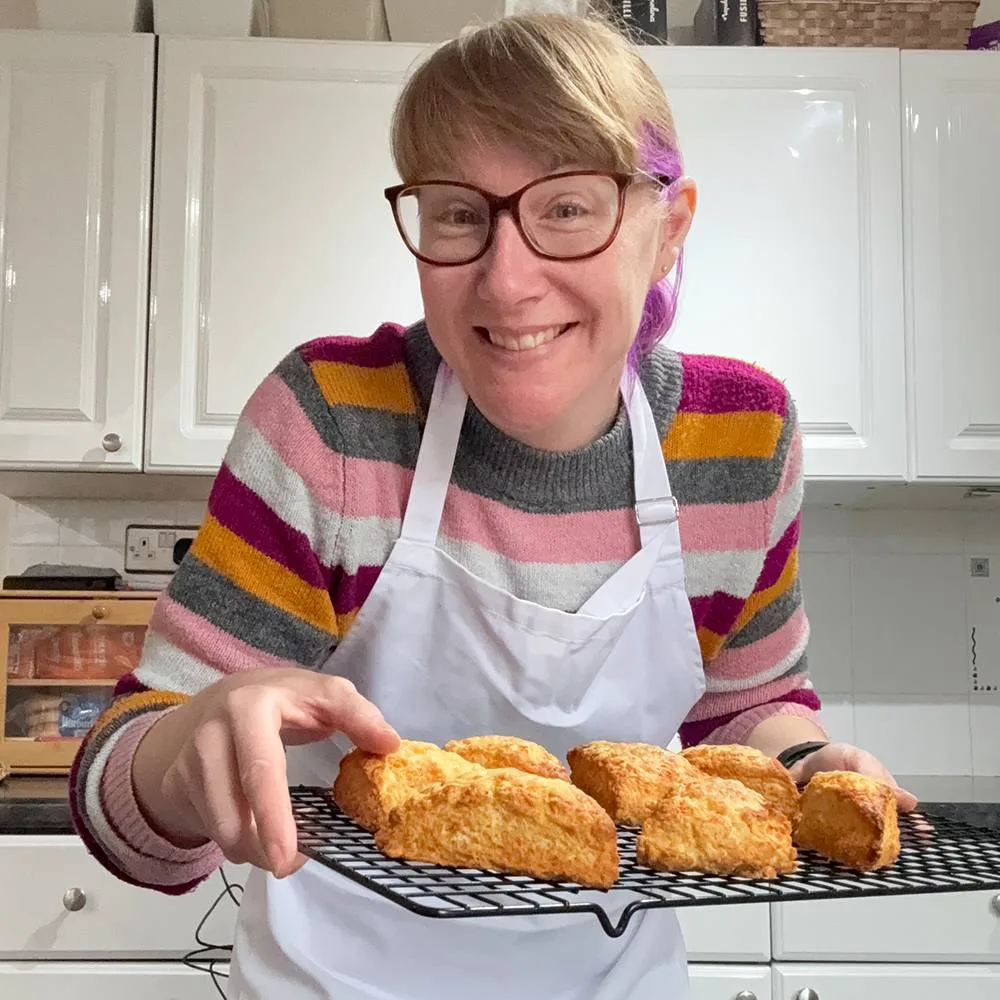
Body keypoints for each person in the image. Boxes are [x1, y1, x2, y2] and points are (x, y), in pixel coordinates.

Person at [69, 12, 917, 1000]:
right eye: (459, 214)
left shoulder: (738, 438)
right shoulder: (335, 422)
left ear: (668, 227)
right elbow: (122, 783)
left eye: (568, 208)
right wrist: (187, 750)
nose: (507, 283)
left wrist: (807, 763)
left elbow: (743, 707)